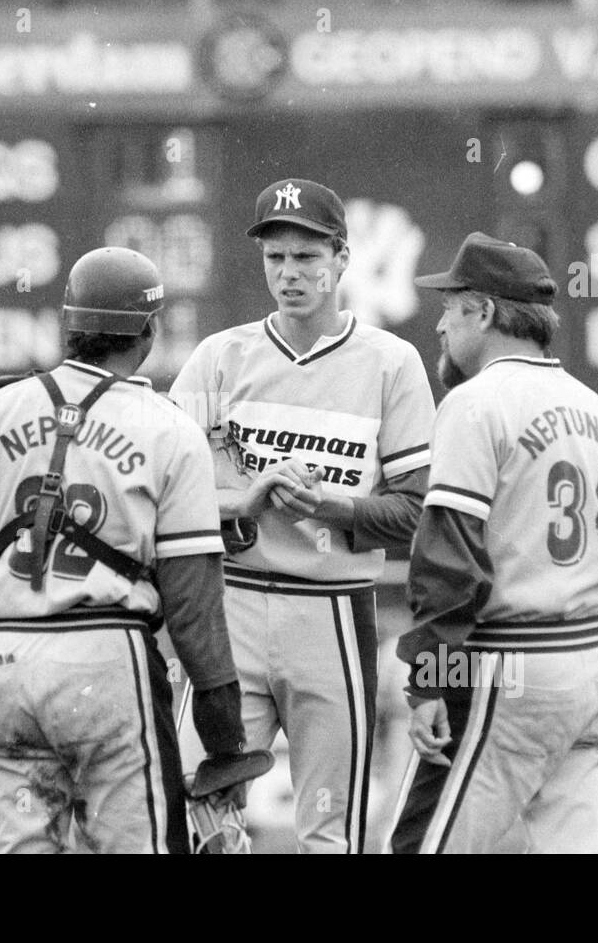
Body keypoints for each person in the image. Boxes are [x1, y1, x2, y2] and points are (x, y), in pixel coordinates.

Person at [0, 246, 247, 854]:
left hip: (1, 665)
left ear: (69, 327)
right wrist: (224, 739)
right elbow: (195, 607)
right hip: (105, 663)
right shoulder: (170, 430)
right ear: (147, 331)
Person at [169, 178, 436, 853]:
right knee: (191, 813)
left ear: (342, 258)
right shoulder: (218, 358)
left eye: (306, 257)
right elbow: (157, 492)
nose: (289, 273)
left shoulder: (389, 363)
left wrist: (332, 506)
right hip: (229, 606)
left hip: (333, 608)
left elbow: (414, 510)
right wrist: (246, 499)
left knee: (331, 832)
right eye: (275, 257)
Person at [387, 232, 598, 854]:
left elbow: (451, 560)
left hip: (515, 666)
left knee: (422, 845)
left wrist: (428, 678)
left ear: (483, 312)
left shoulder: (476, 405)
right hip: (596, 667)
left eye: (450, 308)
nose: (442, 327)